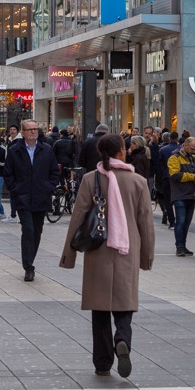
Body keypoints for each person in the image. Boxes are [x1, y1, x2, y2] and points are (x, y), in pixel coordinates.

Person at [61, 134, 155, 377]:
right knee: (124, 302)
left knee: (99, 307)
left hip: (97, 249)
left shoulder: (91, 179)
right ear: (122, 151)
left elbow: (78, 217)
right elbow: (146, 222)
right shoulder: (138, 181)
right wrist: (146, 257)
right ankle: (122, 338)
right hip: (127, 248)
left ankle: (102, 362)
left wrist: (68, 256)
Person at [5, 120, 61, 280]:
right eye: (29, 130)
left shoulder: (46, 149)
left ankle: (30, 260)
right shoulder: (15, 150)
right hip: (22, 197)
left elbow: (54, 172)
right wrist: (15, 191)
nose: (33, 132)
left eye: (35, 129)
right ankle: (28, 266)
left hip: (40, 197)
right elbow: (8, 174)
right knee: (28, 229)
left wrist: (49, 187)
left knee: (37, 231)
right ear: (22, 132)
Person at [167, 136, 195, 256]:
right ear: (185, 145)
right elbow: (175, 175)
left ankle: (183, 245)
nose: (193, 151)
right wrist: (193, 176)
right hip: (179, 195)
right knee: (180, 221)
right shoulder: (174, 158)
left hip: (191, 195)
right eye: (191, 148)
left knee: (187, 222)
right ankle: (179, 246)